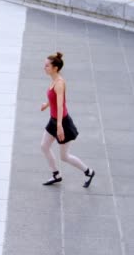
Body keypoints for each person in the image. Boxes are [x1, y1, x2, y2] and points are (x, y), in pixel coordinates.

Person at [40, 52, 95, 187]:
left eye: (47, 66)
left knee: (64, 156)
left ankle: (88, 171)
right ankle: (56, 175)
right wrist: (46, 105)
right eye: (45, 65)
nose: (44, 67)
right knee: (44, 146)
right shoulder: (54, 80)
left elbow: (60, 106)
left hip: (62, 122)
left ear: (55, 68)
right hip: (54, 120)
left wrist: (59, 126)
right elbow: (54, 99)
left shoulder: (59, 83)